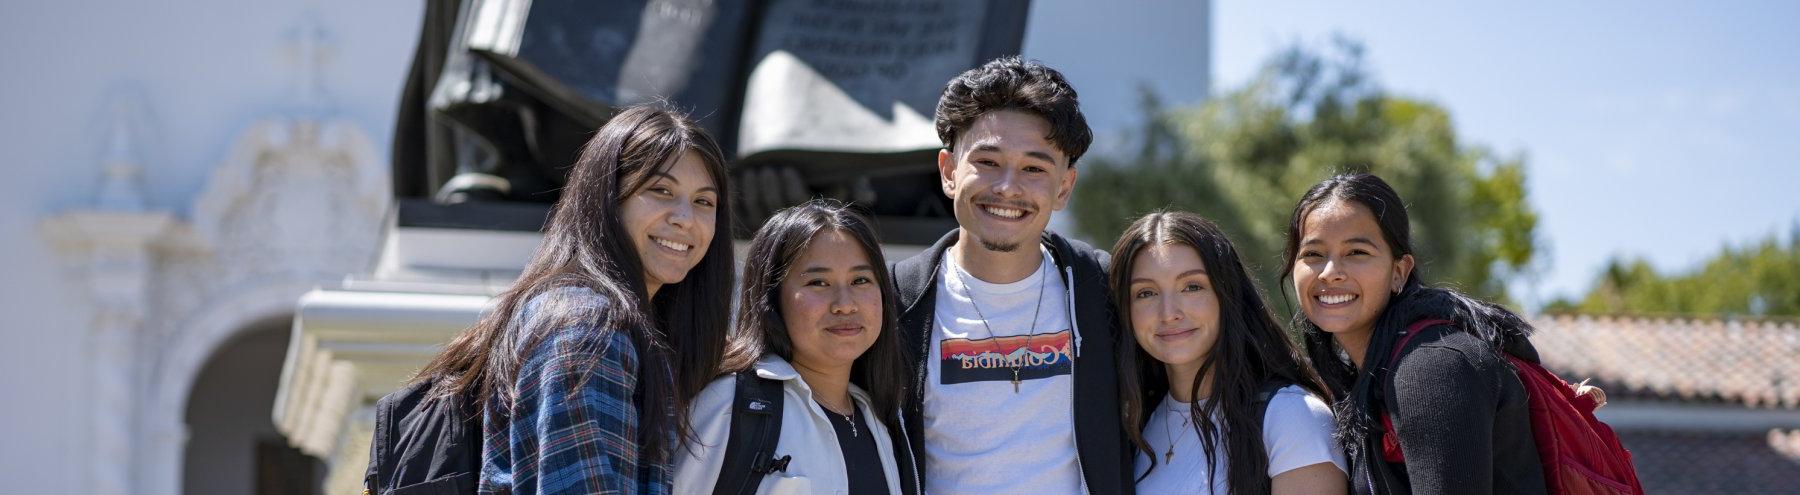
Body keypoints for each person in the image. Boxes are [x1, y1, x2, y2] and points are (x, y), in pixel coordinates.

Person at [410, 105, 735, 494]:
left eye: (704, 202)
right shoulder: (590, 329)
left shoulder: (598, 318)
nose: (685, 218)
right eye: (660, 190)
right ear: (607, 200)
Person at [888, 56, 1131, 494]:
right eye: (988, 161)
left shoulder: (1106, 291)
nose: (1007, 188)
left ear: (1064, 187)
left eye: (1034, 168)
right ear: (948, 171)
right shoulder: (893, 303)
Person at [1282, 173, 1548, 494]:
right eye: (1313, 254)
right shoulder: (1365, 374)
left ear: (1399, 272)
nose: (1331, 273)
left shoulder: (1433, 368)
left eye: (1357, 253)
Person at [675, 199, 917, 495]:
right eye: (818, 282)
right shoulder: (730, 404)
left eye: (861, 280)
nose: (845, 304)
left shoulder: (885, 419)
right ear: (772, 299)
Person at [1110, 211, 1346, 494]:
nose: (1168, 313)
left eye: (1192, 287)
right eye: (1145, 293)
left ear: (1227, 295)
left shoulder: (1291, 416)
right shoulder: (1135, 424)